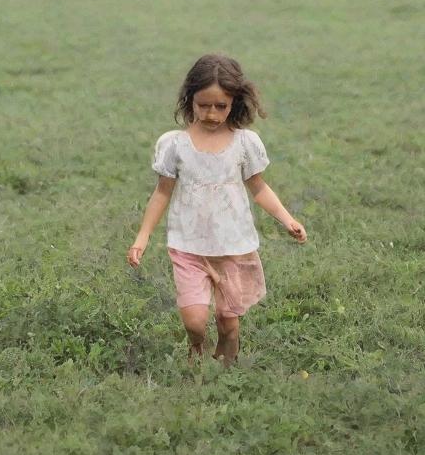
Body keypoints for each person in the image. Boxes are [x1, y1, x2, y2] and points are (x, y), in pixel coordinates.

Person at [127, 53, 307, 365]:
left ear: (234, 102)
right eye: (203, 105)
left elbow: (259, 188)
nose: (211, 113)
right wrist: (141, 237)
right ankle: (196, 350)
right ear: (190, 99)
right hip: (188, 246)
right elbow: (161, 194)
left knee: (228, 322)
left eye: (220, 106)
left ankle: (226, 372)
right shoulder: (175, 145)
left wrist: (287, 219)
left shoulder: (244, 143)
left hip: (233, 248)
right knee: (195, 321)